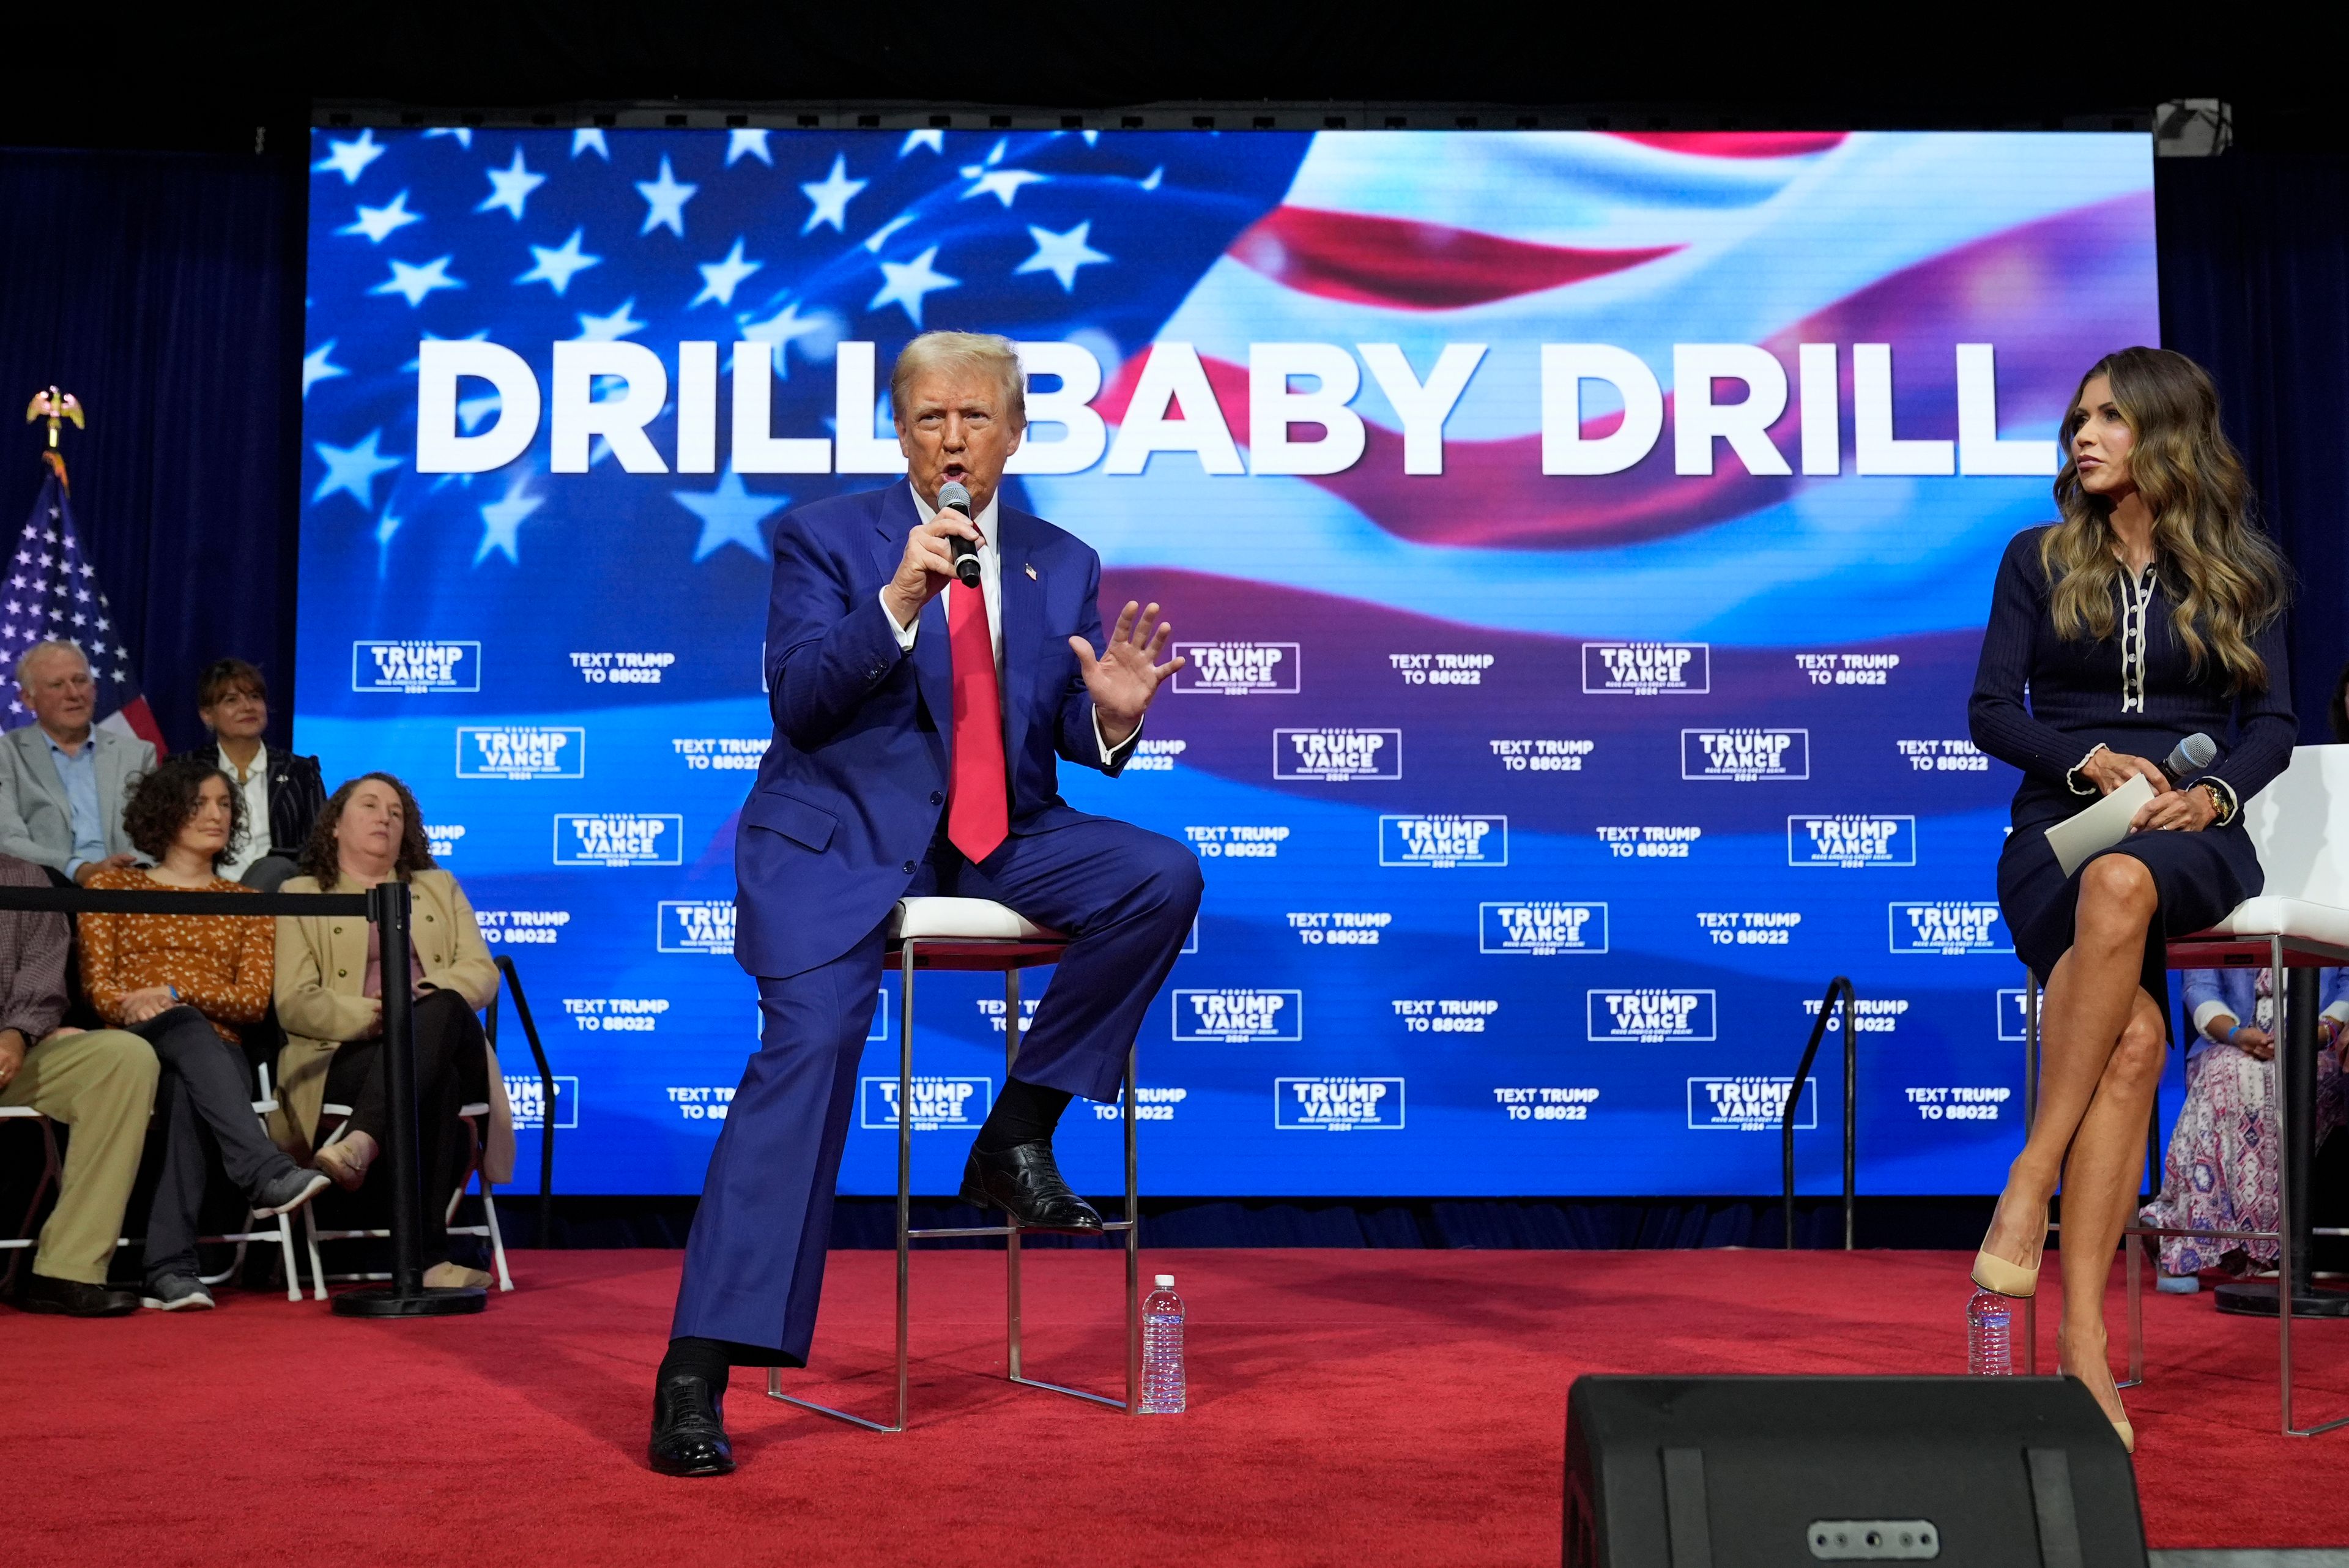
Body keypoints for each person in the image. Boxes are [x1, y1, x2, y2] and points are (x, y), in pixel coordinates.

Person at [650, 330, 1201, 1477]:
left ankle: (1017, 1132)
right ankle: (698, 1369)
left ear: (1016, 430)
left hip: (1003, 843)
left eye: (975, 419)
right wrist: (899, 597)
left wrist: (1116, 717)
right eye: (929, 420)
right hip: (841, 845)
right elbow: (801, 704)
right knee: (806, 1058)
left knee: (1162, 872)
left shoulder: (1061, 559)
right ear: (901, 432)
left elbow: (1055, 733)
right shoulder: (828, 538)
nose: (952, 440)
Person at [1969, 346, 2295, 1452]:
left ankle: (2030, 1178)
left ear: (2165, 431)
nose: (2084, 436)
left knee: (2126, 882)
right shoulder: (2036, 556)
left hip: (2191, 836)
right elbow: (1991, 713)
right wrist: (2089, 762)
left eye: (2109, 417)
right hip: (2059, 828)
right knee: (2133, 1043)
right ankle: (2083, 1349)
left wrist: (2206, 796)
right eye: (2078, 420)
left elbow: (2274, 730)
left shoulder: (2242, 569)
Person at [79, 756, 330, 1310]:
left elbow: (250, 1001)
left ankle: (169, 1271)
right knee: (189, 1032)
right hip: (129, 1046)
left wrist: (172, 991)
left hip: (218, 1053)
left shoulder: (247, 905)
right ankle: (262, 1172)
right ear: (166, 812)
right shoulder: (113, 888)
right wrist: (166, 1003)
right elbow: (102, 993)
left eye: (224, 804)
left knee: (187, 1079)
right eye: (200, 804)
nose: (216, 815)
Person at [272, 772, 509, 1293]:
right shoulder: (301, 893)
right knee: (434, 1080)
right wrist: (373, 1016)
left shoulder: (438, 886)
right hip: (349, 1053)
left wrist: (415, 997)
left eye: (397, 812)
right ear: (334, 825)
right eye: (371, 806)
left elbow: (482, 972)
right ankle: (428, 1259)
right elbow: (294, 1001)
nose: (385, 817)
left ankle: (360, 1141)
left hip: (446, 1031)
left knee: (443, 1006)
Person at [0, 849, 158, 1316]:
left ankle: (67, 1268)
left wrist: (15, 1033)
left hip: (15, 1053)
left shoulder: (26, 878)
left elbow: (43, 979)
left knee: (122, 1057)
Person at [2139, 968, 2349, 1290]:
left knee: (2273, 1079)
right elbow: (2199, 987)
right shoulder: (2220, 915)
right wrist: (2237, 1034)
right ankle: (2197, 1242)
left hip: (2318, 1047)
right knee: (2223, 1071)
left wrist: (2312, 1034)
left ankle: (2174, 1228)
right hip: (2232, 1042)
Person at [0, 639, 153, 885]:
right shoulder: (6, 755)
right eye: (57, 685)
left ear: (94, 689)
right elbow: (6, 839)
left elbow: (155, 836)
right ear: (29, 698)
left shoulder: (138, 755)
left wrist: (121, 873)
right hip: (44, 892)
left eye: (81, 681)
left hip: (128, 888)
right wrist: (79, 870)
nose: (74, 694)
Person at [188, 658, 326, 891]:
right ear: (207, 715)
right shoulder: (186, 771)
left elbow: (320, 846)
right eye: (232, 700)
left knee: (274, 867)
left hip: (281, 897)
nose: (248, 707)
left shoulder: (300, 772)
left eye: (255, 697)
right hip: (205, 893)